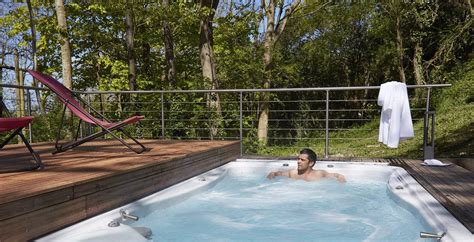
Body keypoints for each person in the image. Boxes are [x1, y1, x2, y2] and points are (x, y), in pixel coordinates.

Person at [266, 148, 346, 183]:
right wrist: (272, 175)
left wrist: (340, 178)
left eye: (302, 160)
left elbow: (337, 175)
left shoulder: (320, 174)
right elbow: (276, 173)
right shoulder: (293, 173)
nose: (298, 162)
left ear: (311, 163)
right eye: (298, 159)